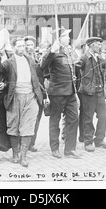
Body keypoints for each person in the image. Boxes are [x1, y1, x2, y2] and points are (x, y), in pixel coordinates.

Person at [0, 38, 43, 167]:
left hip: (31, 96)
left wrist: (44, 95)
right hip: (15, 96)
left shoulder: (30, 60)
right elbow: (0, 70)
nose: (22, 48)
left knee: (28, 126)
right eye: (20, 46)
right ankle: (15, 153)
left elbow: (37, 78)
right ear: (14, 47)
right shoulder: (9, 62)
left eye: (23, 46)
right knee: (13, 126)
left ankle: (23, 156)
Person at [40, 27, 81, 159]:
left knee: (73, 118)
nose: (68, 38)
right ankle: (55, 148)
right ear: (58, 39)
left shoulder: (68, 51)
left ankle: (70, 149)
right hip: (57, 92)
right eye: (65, 36)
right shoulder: (52, 51)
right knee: (55, 120)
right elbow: (43, 66)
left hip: (70, 92)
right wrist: (52, 51)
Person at [76, 37, 106, 152]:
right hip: (88, 93)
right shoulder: (84, 58)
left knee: (102, 117)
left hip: (99, 92)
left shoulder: (98, 57)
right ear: (91, 45)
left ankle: (99, 139)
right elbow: (76, 69)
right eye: (98, 44)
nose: (100, 46)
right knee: (88, 118)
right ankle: (88, 141)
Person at [24, 35, 45, 152]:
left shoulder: (37, 57)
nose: (29, 47)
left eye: (31, 45)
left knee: (37, 118)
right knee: (29, 118)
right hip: (30, 91)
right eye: (27, 45)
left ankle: (32, 142)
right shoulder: (24, 58)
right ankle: (26, 143)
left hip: (39, 91)